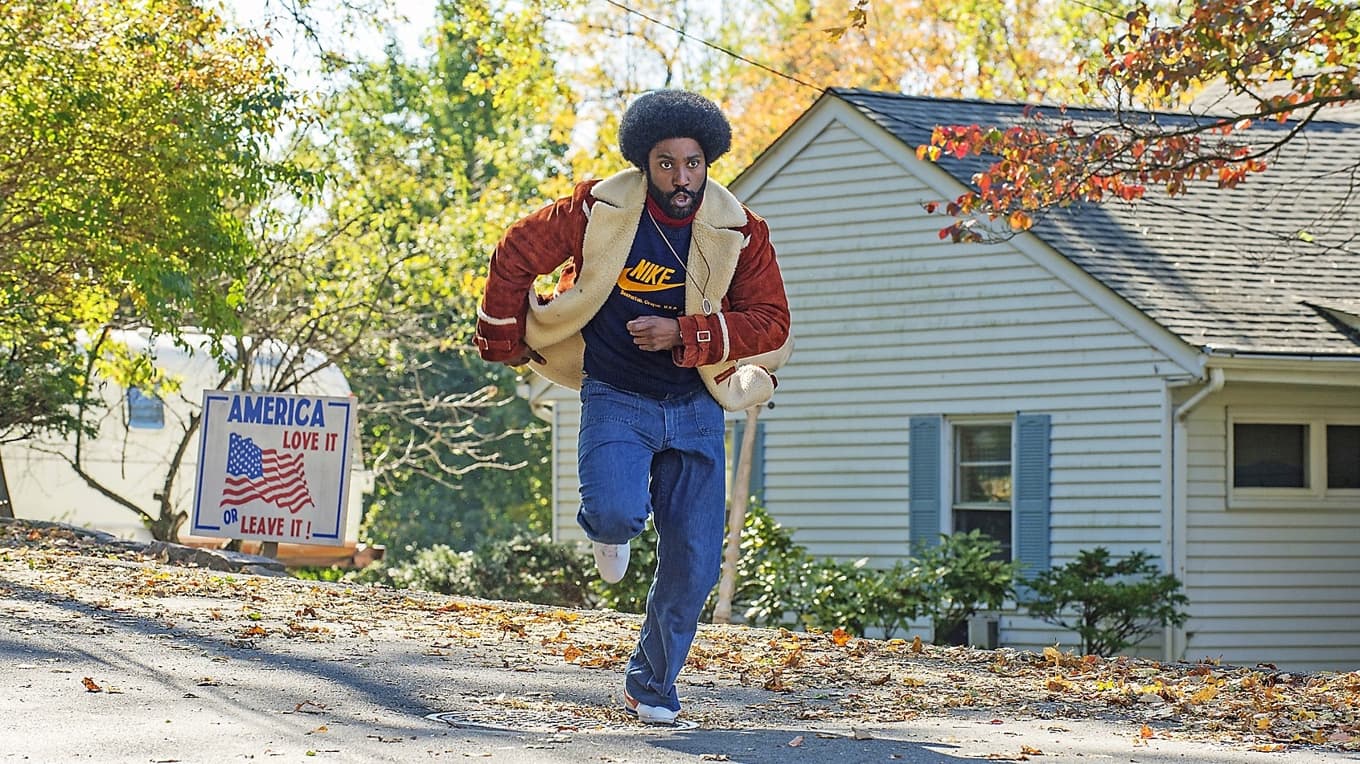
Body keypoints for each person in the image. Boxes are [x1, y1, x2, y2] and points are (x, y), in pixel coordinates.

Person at [474, 89, 792, 725]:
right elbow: (516, 252)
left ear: (710, 163)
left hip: (696, 404)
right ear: (645, 163)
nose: (681, 177)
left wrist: (687, 334)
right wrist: (505, 339)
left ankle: (651, 683)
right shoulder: (598, 209)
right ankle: (610, 532)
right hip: (616, 393)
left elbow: (773, 322)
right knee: (617, 513)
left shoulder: (739, 230)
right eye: (667, 163)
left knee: (696, 563)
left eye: (694, 163)